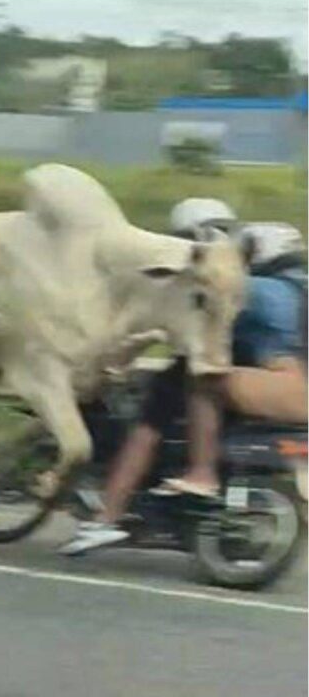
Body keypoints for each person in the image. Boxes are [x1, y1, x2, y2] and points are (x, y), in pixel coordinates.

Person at [60, 200, 307, 555]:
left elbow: (193, 304)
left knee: (200, 380)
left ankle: (199, 474)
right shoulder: (296, 287)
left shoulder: (262, 289)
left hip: (289, 385)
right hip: (281, 382)